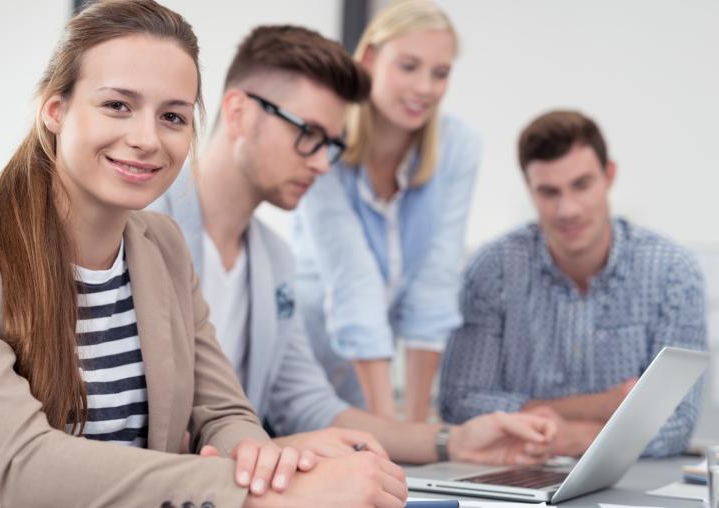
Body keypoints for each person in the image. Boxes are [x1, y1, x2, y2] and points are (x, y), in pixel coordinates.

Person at [0, 2, 409, 507]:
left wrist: (264, 464)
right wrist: (259, 496)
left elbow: (223, 413)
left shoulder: (162, 245)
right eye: (118, 105)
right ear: (55, 110)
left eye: (172, 116)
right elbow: (22, 469)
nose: (148, 138)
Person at [151, 24, 555, 467]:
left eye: (331, 144)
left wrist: (452, 441)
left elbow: (312, 405)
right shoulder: (140, 228)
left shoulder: (273, 262)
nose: (323, 163)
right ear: (239, 112)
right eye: (308, 134)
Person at [438, 110, 707, 458]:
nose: (568, 210)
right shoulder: (493, 270)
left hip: (631, 480)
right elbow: (459, 403)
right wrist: (602, 406)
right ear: (529, 190)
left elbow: (677, 421)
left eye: (581, 185)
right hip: (515, 470)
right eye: (549, 192)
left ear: (609, 175)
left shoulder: (672, 272)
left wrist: (572, 438)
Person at [292, 0, 480, 422]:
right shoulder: (328, 142)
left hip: (368, 378)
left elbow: (435, 283)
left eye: (440, 73)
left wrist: (413, 430)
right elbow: (352, 282)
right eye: (409, 66)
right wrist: (390, 435)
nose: (425, 88)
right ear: (371, 58)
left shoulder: (457, 148)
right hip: (302, 366)